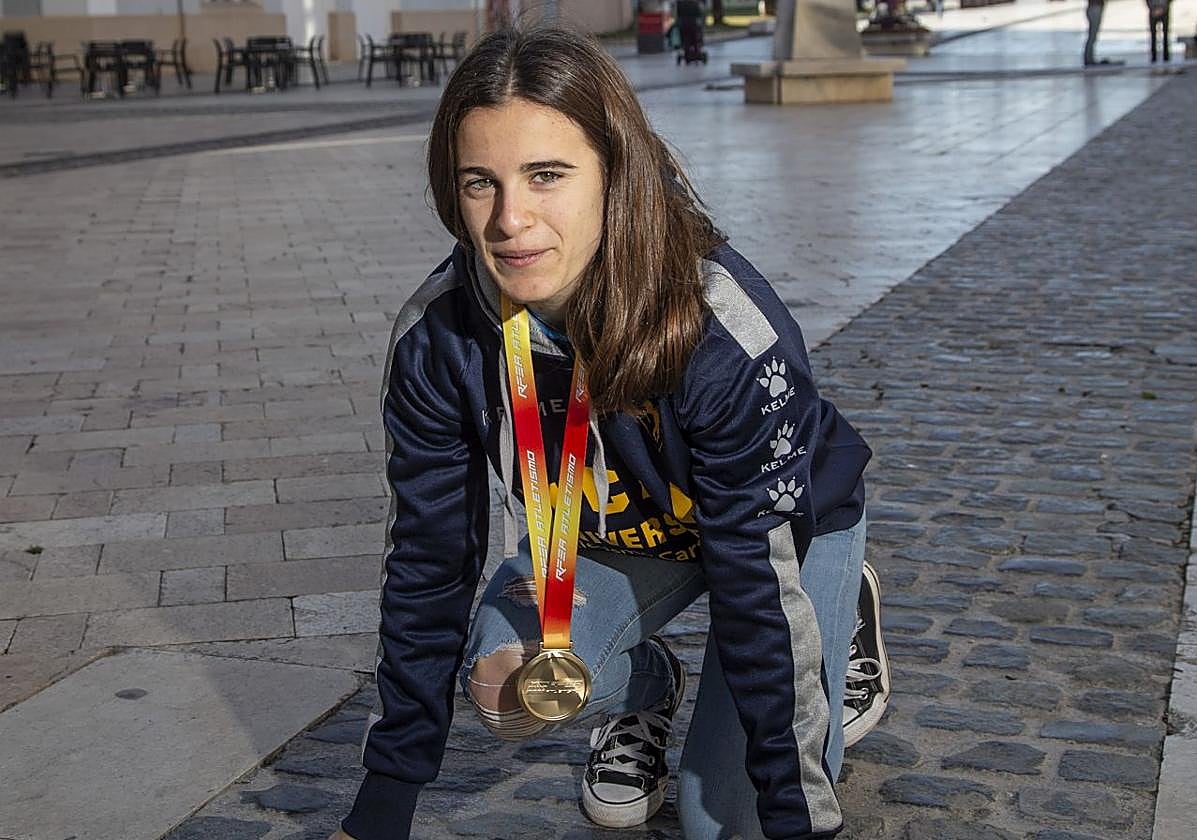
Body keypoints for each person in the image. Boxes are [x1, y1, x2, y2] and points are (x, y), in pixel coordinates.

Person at [330, 25, 888, 840]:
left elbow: (755, 589)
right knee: (509, 682)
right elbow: (428, 561)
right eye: (479, 183)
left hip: (776, 538)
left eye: (545, 176)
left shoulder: (720, 330)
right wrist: (380, 811)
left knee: (723, 824)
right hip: (603, 538)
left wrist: (795, 816)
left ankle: (840, 628)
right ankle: (647, 692)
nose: (510, 221)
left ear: (613, 172)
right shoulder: (437, 337)